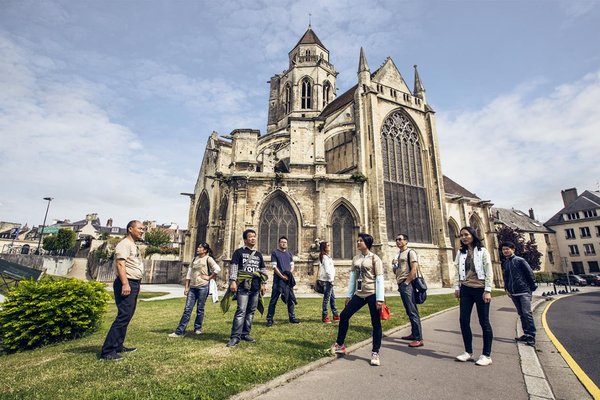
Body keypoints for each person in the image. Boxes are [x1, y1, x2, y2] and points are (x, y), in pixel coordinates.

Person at [331, 233, 385, 366]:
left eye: (360, 241)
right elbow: (353, 278)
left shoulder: (375, 259)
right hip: (359, 294)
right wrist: (349, 295)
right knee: (344, 315)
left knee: (375, 322)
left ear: (367, 243)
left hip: (372, 294)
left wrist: (380, 299)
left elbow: (379, 279)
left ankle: (375, 353)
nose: (358, 242)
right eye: (357, 240)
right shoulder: (355, 258)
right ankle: (340, 344)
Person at [100, 220, 145, 361]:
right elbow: (120, 264)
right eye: (140, 228)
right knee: (123, 316)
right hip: (126, 283)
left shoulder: (132, 245)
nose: (142, 231)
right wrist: (126, 284)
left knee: (127, 315)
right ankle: (108, 351)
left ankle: (118, 345)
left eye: (143, 228)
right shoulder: (124, 244)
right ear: (130, 229)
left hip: (133, 282)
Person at [453, 226, 494, 366]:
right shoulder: (461, 253)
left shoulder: (482, 251)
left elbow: (489, 270)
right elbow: (457, 270)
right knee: (463, 320)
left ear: (473, 235)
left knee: (484, 322)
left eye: (466, 234)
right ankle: (468, 352)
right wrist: (457, 287)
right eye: (461, 235)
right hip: (466, 288)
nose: (464, 237)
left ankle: (486, 355)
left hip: (480, 289)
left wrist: (488, 290)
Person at [168, 243, 221, 338]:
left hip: (203, 286)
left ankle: (197, 329)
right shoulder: (194, 259)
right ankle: (180, 331)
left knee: (200, 309)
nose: (198, 248)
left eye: (200, 247)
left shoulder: (208, 259)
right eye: (198, 247)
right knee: (187, 309)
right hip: (192, 287)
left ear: (205, 250)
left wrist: (209, 277)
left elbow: (217, 269)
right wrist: (186, 287)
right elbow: (189, 273)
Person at [226, 229, 268, 347]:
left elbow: (262, 271)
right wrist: (233, 281)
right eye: (250, 237)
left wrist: (264, 284)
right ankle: (235, 336)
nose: (253, 238)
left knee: (251, 312)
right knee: (241, 311)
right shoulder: (238, 252)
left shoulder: (258, 254)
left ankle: (245, 333)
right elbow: (234, 267)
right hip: (243, 287)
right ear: (245, 239)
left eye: (254, 236)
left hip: (255, 287)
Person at [501, 241, 537, 347]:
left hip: (523, 291)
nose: (505, 251)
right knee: (521, 314)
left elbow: (529, 273)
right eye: (503, 249)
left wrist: (532, 287)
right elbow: (506, 277)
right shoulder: (506, 263)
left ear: (513, 250)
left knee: (527, 313)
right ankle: (526, 334)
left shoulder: (520, 260)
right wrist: (506, 288)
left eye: (507, 249)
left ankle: (531, 336)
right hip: (513, 292)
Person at [392, 234, 423, 347]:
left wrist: (406, 282)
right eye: (396, 239)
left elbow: (414, 268)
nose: (398, 241)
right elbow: (396, 271)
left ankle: (419, 339)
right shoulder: (398, 254)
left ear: (406, 241)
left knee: (412, 310)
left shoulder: (411, 252)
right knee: (409, 310)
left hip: (407, 283)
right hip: (401, 283)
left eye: (400, 239)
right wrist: (394, 266)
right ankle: (414, 334)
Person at [266, 236, 300, 326]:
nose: (284, 243)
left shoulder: (289, 254)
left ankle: (292, 318)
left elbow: (292, 266)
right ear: (279, 243)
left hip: (287, 281)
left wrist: (288, 274)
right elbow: (274, 267)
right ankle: (269, 319)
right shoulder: (275, 253)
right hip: (278, 280)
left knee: (290, 300)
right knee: (274, 300)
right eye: (282, 242)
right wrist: (281, 276)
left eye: (285, 242)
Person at [319, 241, 339, 324]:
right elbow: (327, 270)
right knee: (327, 299)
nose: (329, 246)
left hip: (329, 280)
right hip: (328, 281)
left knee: (332, 298)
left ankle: (335, 315)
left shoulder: (327, 257)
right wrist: (331, 280)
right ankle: (325, 316)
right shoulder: (325, 257)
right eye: (327, 245)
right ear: (324, 248)